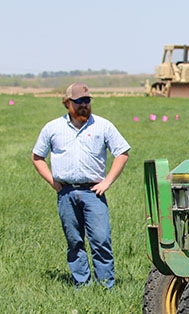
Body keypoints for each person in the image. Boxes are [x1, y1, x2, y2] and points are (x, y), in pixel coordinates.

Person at [32, 83, 131, 288]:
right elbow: (37, 157)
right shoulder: (53, 128)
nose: (83, 105)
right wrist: (54, 183)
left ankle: (105, 285)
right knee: (74, 241)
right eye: (78, 102)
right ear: (67, 103)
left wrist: (107, 182)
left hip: (93, 192)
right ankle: (82, 284)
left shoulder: (103, 126)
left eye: (87, 101)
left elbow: (122, 153)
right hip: (66, 192)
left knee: (101, 240)